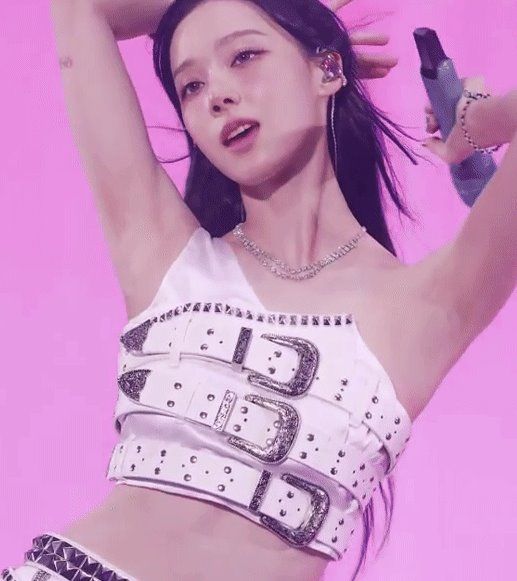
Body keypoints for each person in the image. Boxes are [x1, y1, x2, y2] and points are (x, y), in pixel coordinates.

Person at [3, 0, 516, 580]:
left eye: (245, 57)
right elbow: (83, 9)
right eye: (191, 86)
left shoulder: (426, 305)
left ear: (327, 69)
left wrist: (475, 123)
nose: (217, 95)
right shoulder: (167, 256)